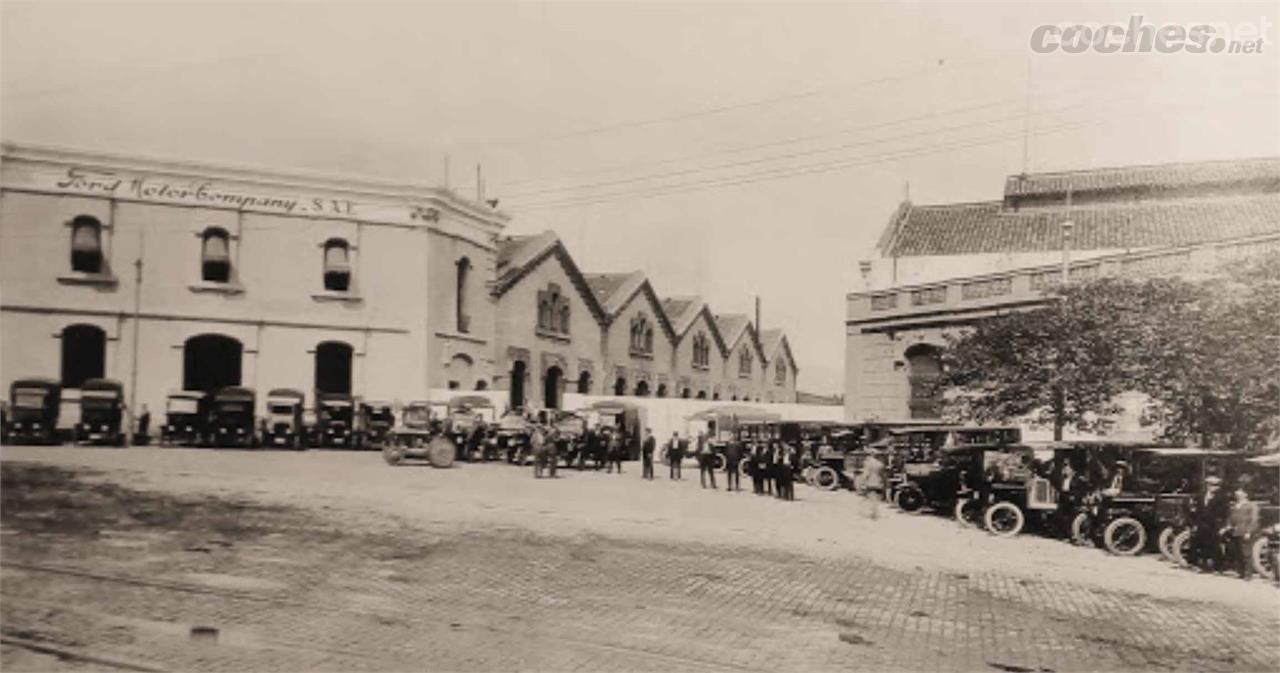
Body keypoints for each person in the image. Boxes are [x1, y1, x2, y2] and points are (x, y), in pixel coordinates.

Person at [1227, 487, 1259, 580]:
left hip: (1245, 531)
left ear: (1245, 494)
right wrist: (1228, 526)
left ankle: (1248, 574)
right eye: (1236, 495)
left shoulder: (1251, 505)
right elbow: (1231, 517)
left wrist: (1249, 531)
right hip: (1235, 531)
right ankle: (1241, 571)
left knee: (1246, 553)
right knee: (1237, 552)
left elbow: (1254, 520)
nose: (1237, 496)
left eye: (1239, 494)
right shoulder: (1235, 505)